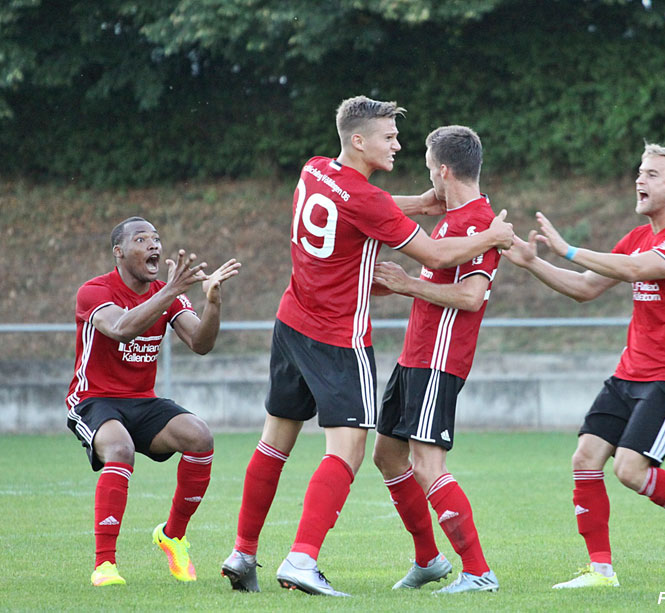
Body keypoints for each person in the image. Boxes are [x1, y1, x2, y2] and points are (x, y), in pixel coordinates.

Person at [220, 96, 514, 596]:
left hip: (292, 322)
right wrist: (495, 235)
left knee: (277, 441)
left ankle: (243, 552)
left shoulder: (315, 171)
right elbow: (428, 247)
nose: (397, 145)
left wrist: (422, 206)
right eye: (389, 137)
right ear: (359, 141)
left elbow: (366, 206)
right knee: (352, 449)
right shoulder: (451, 221)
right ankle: (301, 560)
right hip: (337, 336)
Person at [503, 144, 665, 587]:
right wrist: (534, 262)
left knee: (630, 469)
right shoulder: (637, 236)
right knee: (586, 459)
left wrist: (567, 248)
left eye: (650, 174)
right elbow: (586, 288)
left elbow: (634, 270)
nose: (639, 180)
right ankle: (601, 571)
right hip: (628, 373)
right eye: (639, 171)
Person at [66, 216, 240, 587]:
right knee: (119, 448)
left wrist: (213, 303)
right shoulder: (94, 291)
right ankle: (105, 565)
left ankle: (173, 536)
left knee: (200, 437)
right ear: (119, 253)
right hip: (94, 399)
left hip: (141, 401)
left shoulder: (169, 294)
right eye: (142, 240)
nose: (154, 246)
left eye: (156, 239)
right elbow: (122, 327)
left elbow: (201, 344)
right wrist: (169, 292)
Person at [370, 125, 501, 595]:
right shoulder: (452, 218)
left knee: (427, 464)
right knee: (387, 456)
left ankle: (478, 571)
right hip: (414, 356)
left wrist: (407, 284)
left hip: (439, 361)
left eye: (430, 170)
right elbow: (386, 209)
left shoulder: (479, 224)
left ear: (444, 170)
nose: (428, 180)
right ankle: (428, 561)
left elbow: (470, 297)